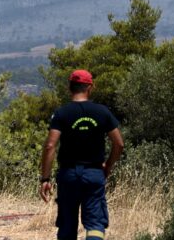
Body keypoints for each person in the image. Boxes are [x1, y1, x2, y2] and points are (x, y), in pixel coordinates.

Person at [39, 69, 124, 240]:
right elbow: (119, 143)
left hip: (68, 175)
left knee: (67, 225)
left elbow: (50, 146)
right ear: (90, 87)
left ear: (70, 88)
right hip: (94, 173)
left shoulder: (61, 113)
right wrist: (108, 166)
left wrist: (45, 179)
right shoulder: (102, 112)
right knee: (95, 224)